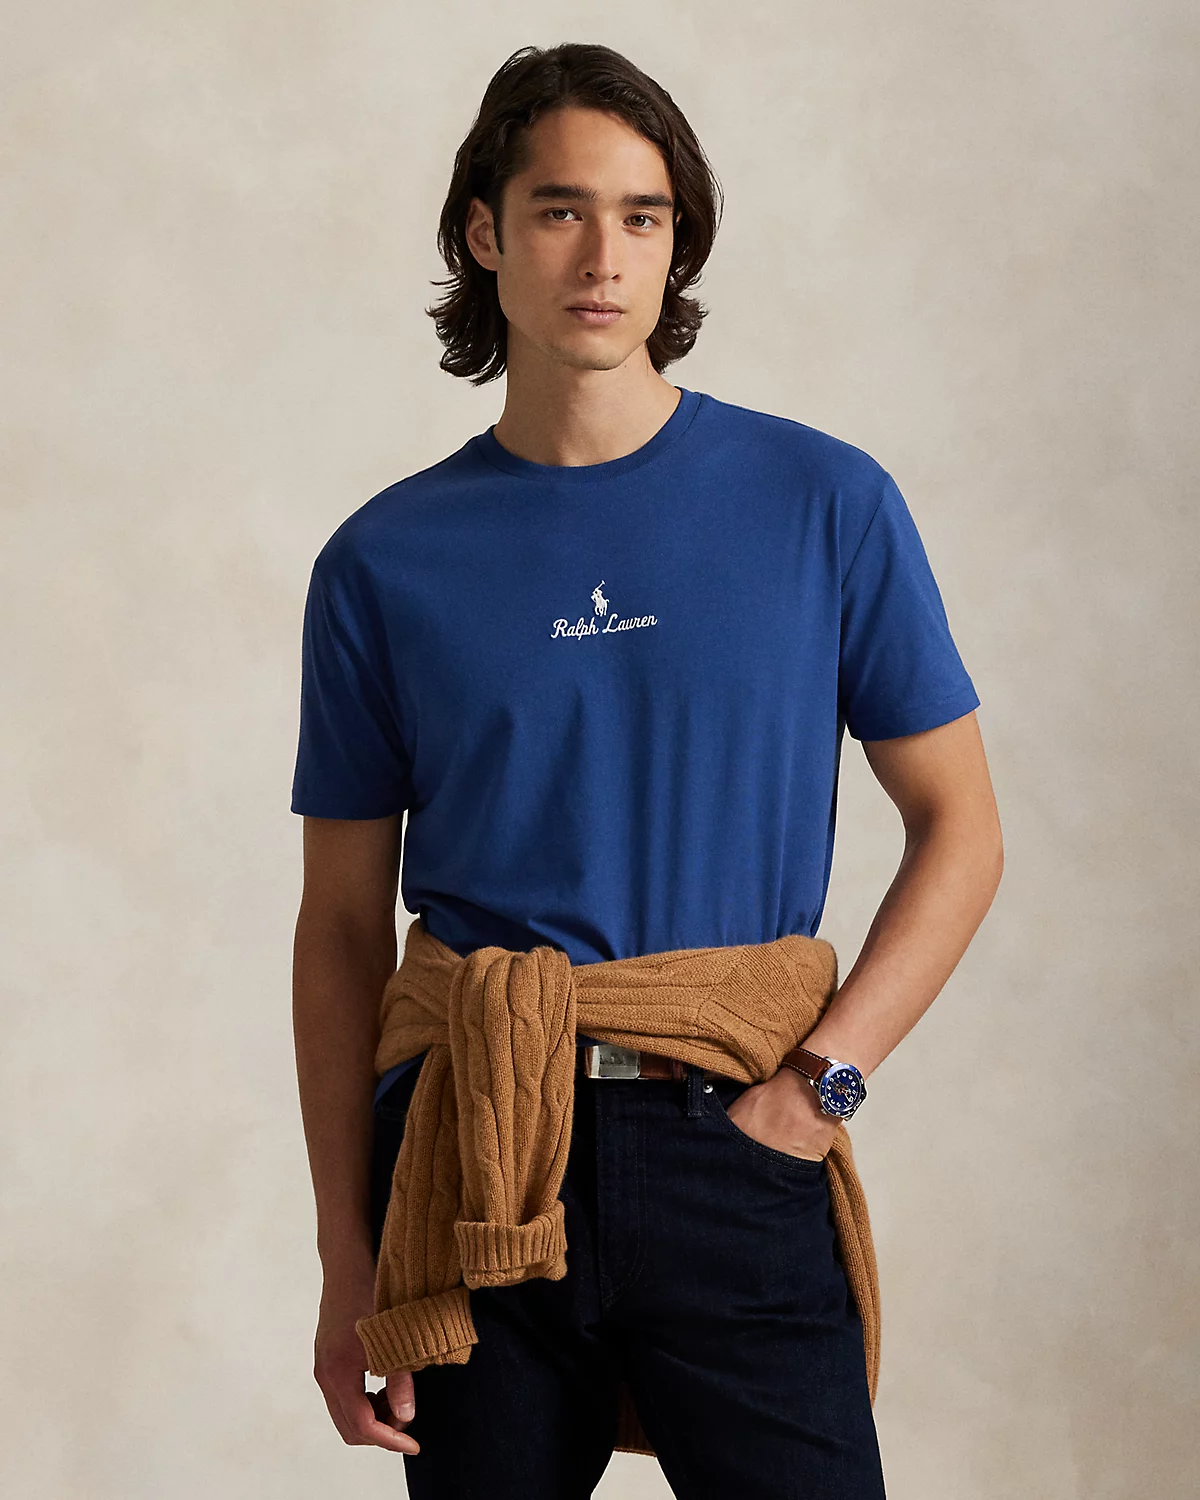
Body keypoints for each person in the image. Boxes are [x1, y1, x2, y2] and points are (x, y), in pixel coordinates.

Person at [290, 40, 1003, 1500]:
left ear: (679, 243)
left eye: (643, 215)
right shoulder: (383, 560)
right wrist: (344, 1255)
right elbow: (343, 926)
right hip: (475, 1148)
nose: (603, 257)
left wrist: (817, 1094)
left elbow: (962, 829)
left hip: (733, 1138)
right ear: (485, 234)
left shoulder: (824, 503)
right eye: (559, 210)